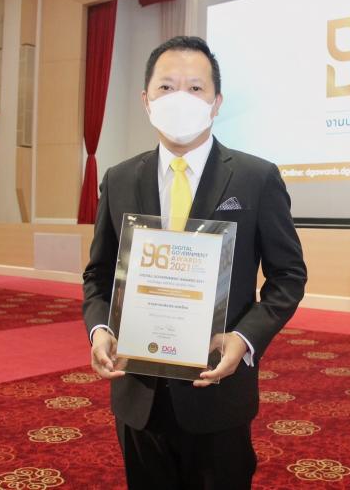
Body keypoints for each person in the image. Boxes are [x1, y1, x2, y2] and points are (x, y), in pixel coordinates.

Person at [83, 36, 307, 490]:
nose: (180, 99)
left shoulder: (256, 177)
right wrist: (99, 328)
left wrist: (245, 339)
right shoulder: (120, 178)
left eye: (195, 88)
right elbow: (98, 274)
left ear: (216, 102)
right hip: (137, 391)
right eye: (166, 87)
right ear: (145, 100)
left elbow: (288, 276)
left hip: (217, 391)